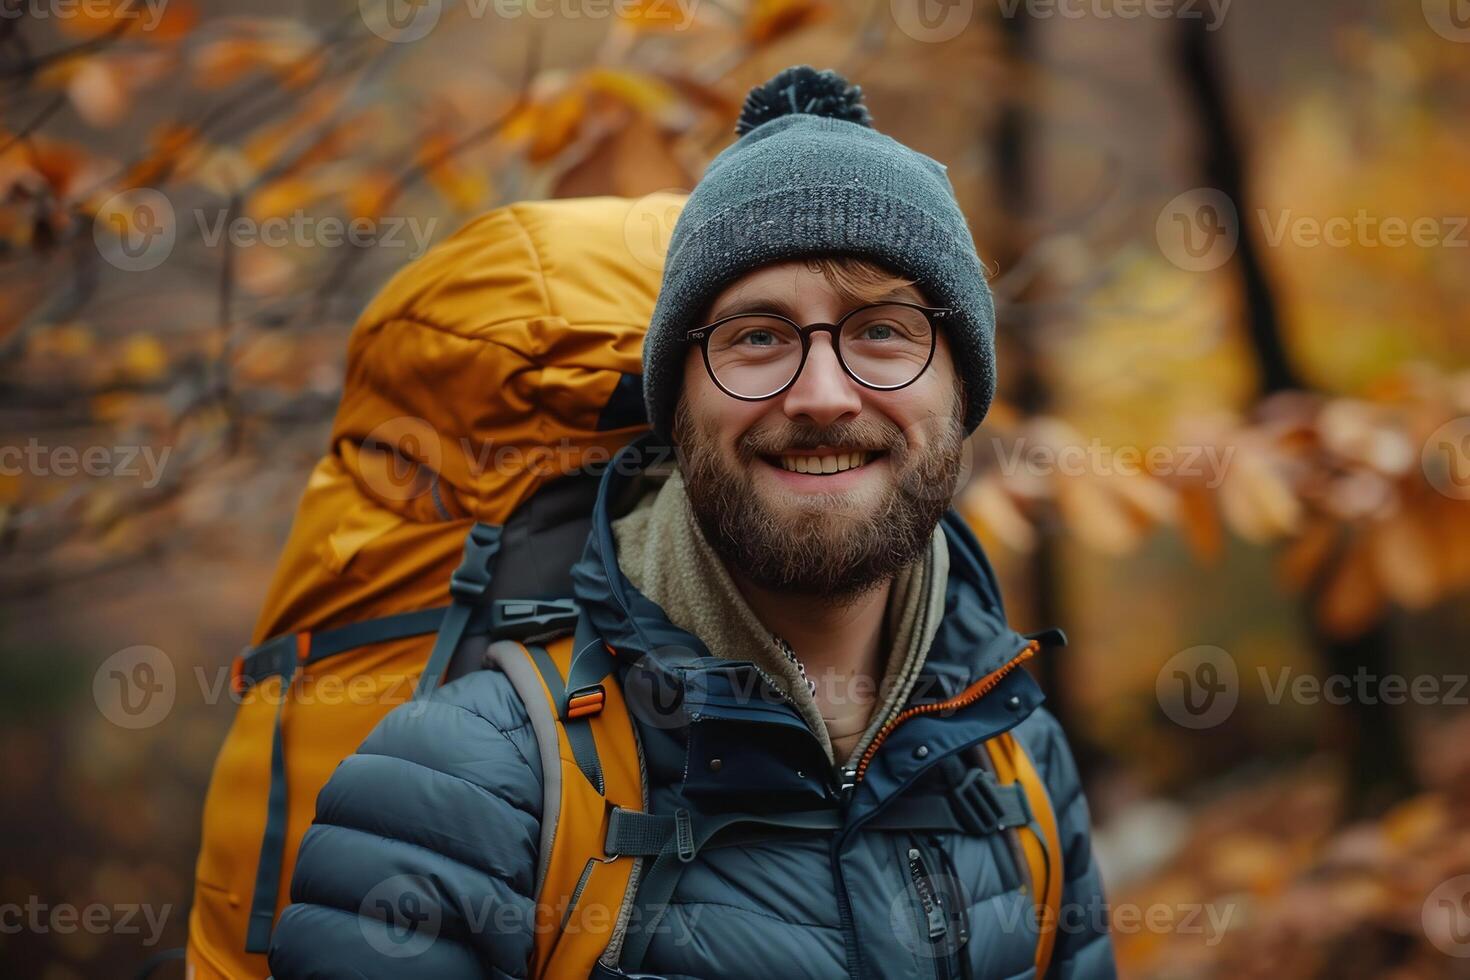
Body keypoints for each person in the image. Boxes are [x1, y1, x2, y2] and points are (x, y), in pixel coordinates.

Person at [267, 64, 1115, 979]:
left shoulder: (1016, 760)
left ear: (962, 391)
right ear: (678, 406)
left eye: (882, 331)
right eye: (757, 336)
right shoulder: (465, 791)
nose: (823, 395)